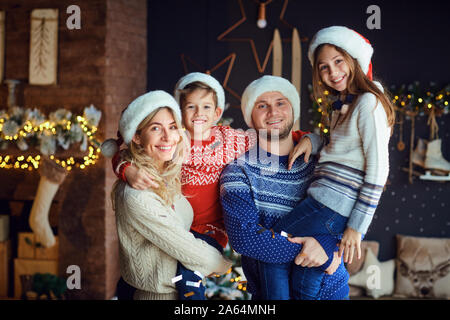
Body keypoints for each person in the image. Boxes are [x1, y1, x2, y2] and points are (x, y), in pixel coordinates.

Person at [110, 73, 316, 299]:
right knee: (139, 279)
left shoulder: (229, 140)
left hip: (210, 230)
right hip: (180, 224)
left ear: (217, 113)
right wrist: (125, 168)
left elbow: (275, 135)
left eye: (206, 107)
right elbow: (126, 147)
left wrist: (309, 139)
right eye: (191, 107)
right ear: (180, 114)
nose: (199, 114)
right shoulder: (176, 141)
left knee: (189, 277)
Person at [258, 26, 395, 299]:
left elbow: (379, 169)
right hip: (328, 205)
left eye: (338, 62)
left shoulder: (368, 103)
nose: (333, 72)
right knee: (306, 271)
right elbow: (339, 145)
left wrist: (357, 228)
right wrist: (312, 140)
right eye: (324, 67)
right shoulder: (343, 106)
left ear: (354, 59)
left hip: (330, 206)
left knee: (270, 246)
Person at [220, 75, 347, 300]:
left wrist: (326, 244)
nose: (273, 112)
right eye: (262, 105)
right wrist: (316, 252)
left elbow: (346, 212)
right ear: (250, 116)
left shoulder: (322, 160)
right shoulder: (238, 171)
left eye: (280, 102)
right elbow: (244, 237)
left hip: (331, 290)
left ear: (293, 110)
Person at [110, 90, 232, 300]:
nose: (167, 137)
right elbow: (188, 248)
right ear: (137, 137)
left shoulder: (167, 175)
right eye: (156, 128)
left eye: (172, 127)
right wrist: (225, 265)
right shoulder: (138, 195)